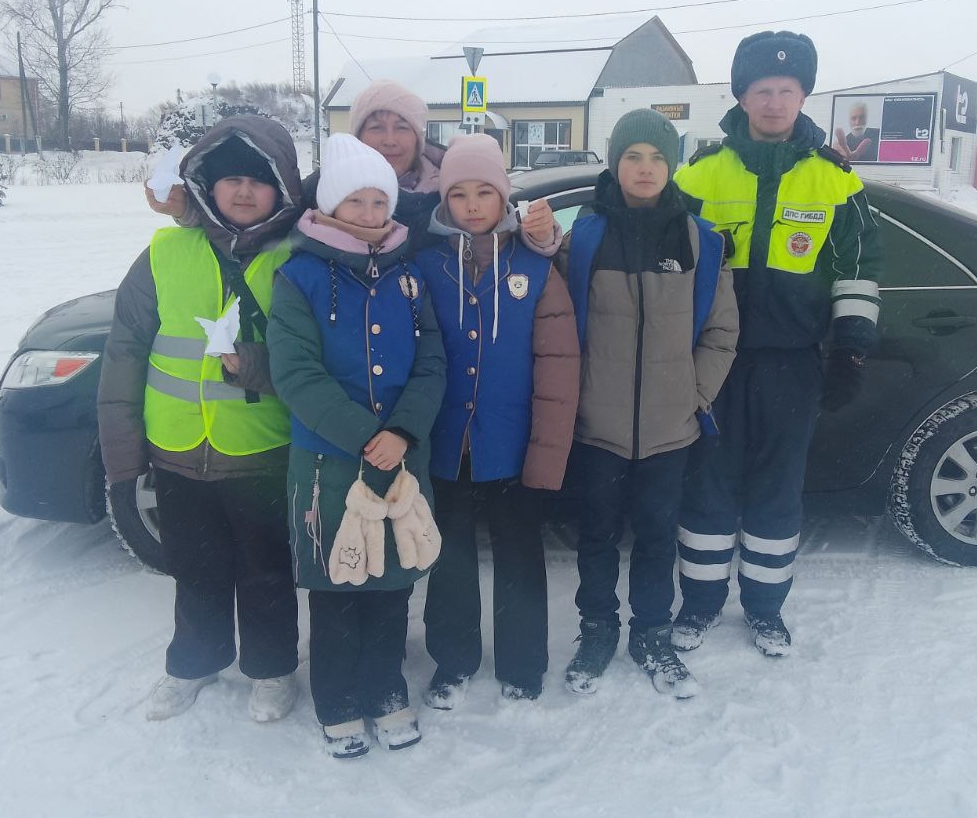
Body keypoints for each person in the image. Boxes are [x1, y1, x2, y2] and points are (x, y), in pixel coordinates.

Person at [672, 30, 882, 658]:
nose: (774, 102)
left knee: (776, 489)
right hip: (712, 364)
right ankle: (702, 604)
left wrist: (850, 348)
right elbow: (665, 267)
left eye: (787, 91)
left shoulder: (835, 182)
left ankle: (765, 609)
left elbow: (858, 269)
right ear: (742, 94)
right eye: (762, 89)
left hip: (791, 364)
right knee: (705, 483)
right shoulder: (699, 173)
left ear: (803, 97)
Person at [98, 115, 302, 723]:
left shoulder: (297, 259)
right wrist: (123, 454)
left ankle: (271, 670)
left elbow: (314, 354)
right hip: (177, 449)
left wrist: (255, 367)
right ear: (206, 187)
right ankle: (194, 661)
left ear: (283, 191)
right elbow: (126, 351)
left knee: (266, 571)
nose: (243, 192)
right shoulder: (165, 253)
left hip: (260, 452)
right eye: (230, 179)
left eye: (259, 182)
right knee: (196, 569)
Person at [266, 134, 446, 759]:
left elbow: (431, 363)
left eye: (380, 200)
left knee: (392, 583)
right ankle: (337, 696)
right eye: (356, 201)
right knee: (337, 584)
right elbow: (295, 374)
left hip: (400, 458)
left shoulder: (411, 275)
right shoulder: (299, 277)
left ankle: (385, 685)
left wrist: (401, 433)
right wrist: (367, 436)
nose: (370, 213)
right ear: (331, 206)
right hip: (328, 463)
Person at [558, 109, 738, 699]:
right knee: (597, 536)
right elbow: (556, 327)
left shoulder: (699, 241)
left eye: (658, 157)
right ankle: (597, 630)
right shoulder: (583, 237)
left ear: (672, 166)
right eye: (633, 156)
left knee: (659, 537)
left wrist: (694, 395)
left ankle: (652, 633)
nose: (645, 168)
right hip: (596, 427)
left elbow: (720, 332)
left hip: (670, 429)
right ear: (615, 162)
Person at [414, 134, 580, 707]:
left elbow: (558, 368)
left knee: (519, 559)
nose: (473, 204)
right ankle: (453, 661)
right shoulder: (424, 266)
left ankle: (522, 663)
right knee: (449, 560)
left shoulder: (535, 268)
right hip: (443, 447)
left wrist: (547, 453)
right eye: (458, 193)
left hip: (513, 448)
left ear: (504, 196)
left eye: (485, 191)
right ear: (444, 201)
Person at [147, 80, 561, 257]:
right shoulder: (323, 189)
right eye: (376, 126)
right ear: (359, 134)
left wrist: (544, 237)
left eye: (402, 127)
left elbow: (499, 232)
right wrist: (189, 210)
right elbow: (259, 223)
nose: (389, 138)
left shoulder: (449, 188)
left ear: (418, 136)